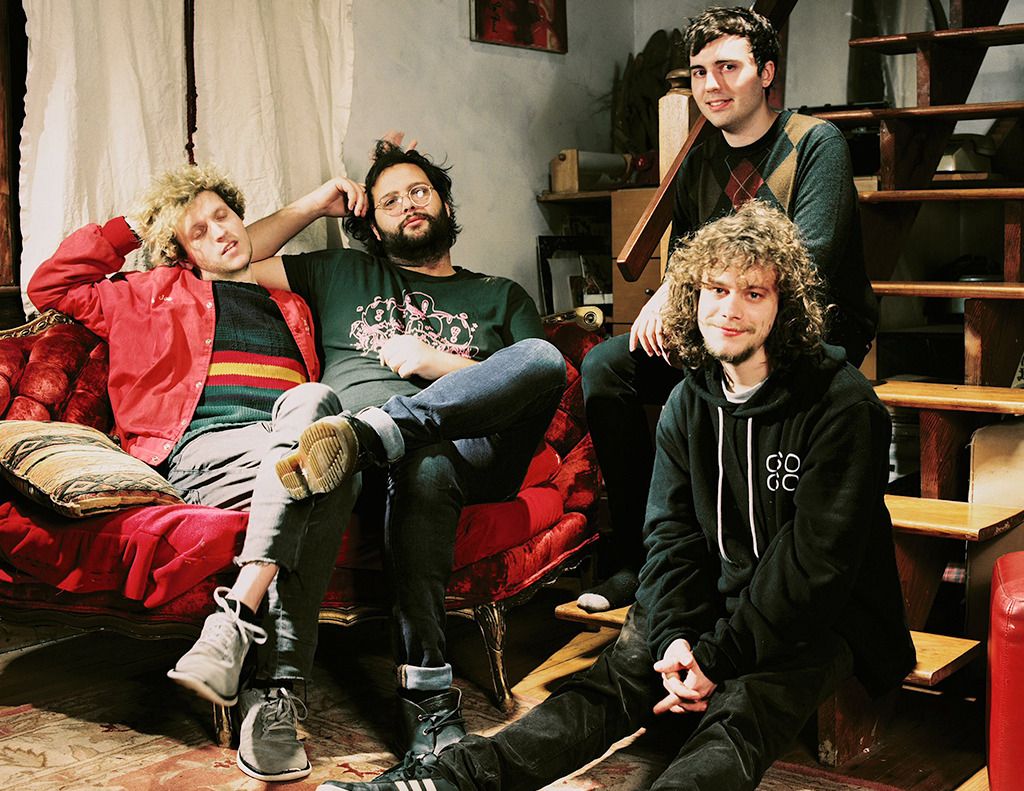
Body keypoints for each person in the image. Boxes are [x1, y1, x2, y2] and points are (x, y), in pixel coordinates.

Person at [314, 200, 915, 791]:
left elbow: (813, 569)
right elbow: (671, 537)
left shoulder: (842, 406)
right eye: (716, 289)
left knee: (741, 712)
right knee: (608, 684)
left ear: (786, 307)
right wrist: (675, 634)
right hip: (712, 594)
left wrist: (715, 660)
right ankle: (448, 780)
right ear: (694, 297)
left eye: (753, 293)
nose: (729, 309)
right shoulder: (688, 401)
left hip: (819, 615)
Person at [27, 163, 367, 783]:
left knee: (315, 413)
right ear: (181, 250)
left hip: (288, 446)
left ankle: (234, 632)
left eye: (223, 216)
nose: (219, 233)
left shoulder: (291, 302)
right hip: (205, 453)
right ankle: (278, 691)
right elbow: (51, 286)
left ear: (243, 218)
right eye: (198, 231)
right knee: (322, 468)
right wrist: (136, 224)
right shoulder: (146, 293)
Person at [246, 139, 567, 761]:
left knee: (542, 356)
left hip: (474, 453)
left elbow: (537, 382)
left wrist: (435, 362)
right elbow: (233, 257)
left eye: (419, 191)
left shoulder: (500, 294)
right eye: (389, 201)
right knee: (425, 463)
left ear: (444, 203)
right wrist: (314, 204)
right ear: (371, 224)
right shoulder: (340, 272)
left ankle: (382, 429)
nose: (408, 205)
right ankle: (427, 694)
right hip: (369, 466)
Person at [578, 5, 879, 613]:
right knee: (607, 369)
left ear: (766, 73)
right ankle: (640, 559)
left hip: (810, 326)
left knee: (729, 383)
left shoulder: (815, 142)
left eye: (728, 68)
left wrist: (695, 291)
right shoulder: (701, 158)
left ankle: (744, 568)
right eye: (699, 72)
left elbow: (809, 263)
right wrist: (670, 290)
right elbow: (689, 259)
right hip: (730, 326)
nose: (711, 85)